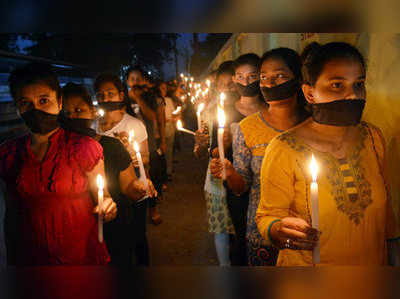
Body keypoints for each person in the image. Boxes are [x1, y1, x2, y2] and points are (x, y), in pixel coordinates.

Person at [256, 42, 400, 266]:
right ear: (309, 93)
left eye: (359, 84)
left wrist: (393, 252)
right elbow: (267, 216)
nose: (353, 95)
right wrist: (278, 230)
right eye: (337, 85)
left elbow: (386, 209)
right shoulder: (284, 147)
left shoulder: (372, 137)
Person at [0, 63, 117, 266]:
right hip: (31, 259)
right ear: (18, 108)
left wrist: (108, 206)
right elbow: (11, 213)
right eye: (26, 103)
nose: (35, 110)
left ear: (59, 101)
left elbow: (103, 195)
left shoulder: (84, 148)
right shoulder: (8, 153)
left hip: (80, 255)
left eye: (43, 100)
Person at [211, 48, 309, 266]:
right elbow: (240, 187)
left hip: (308, 233)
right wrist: (230, 172)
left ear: (298, 79)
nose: (270, 83)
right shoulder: (247, 128)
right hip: (263, 235)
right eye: (264, 77)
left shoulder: (315, 124)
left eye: (280, 76)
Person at [61, 82, 157, 267]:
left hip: (114, 227)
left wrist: (140, 187)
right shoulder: (57, 152)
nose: (72, 117)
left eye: (79, 110)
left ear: (92, 111)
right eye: (66, 114)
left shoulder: (112, 146)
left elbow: (130, 187)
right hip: (74, 231)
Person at [92, 73, 152, 265]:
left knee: (138, 236)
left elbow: (146, 159)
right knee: (115, 239)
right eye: (101, 95)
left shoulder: (134, 124)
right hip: (110, 191)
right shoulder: (93, 127)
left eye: (110, 94)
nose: (105, 99)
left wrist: (130, 156)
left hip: (134, 188)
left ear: (120, 95)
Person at [125, 66, 164, 225]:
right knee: (134, 178)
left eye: (138, 79)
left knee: (150, 178)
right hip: (130, 145)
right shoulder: (123, 99)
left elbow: (153, 116)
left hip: (148, 144)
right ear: (127, 81)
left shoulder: (149, 98)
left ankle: (153, 209)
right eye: (132, 79)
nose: (135, 82)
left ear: (143, 81)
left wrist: (139, 99)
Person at [158, 81, 178, 180]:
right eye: (161, 88)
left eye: (165, 88)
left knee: (169, 150)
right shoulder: (156, 101)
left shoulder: (168, 100)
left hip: (170, 127)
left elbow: (173, 113)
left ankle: (168, 171)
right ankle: (162, 173)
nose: (163, 91)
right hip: (160, 128)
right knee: (161, 152)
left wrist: (175, 117)